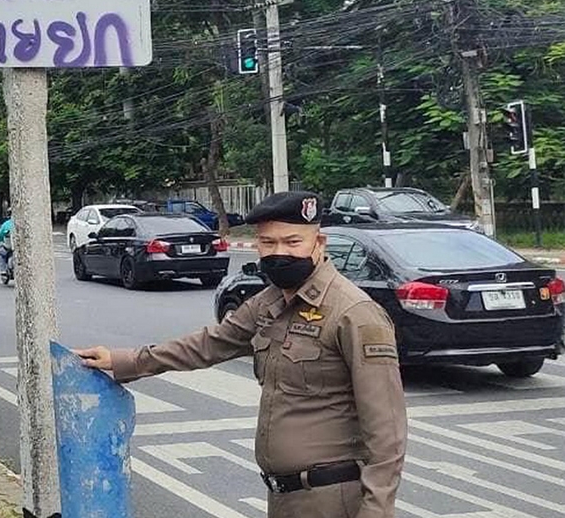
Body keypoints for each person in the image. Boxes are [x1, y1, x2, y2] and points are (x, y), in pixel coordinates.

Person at [74, 191, 406, 518]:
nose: (279, 254)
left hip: (332, 500)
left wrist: (376, 512)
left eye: (293, 243)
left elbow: (386, 432)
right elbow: (209, 344)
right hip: (283, 497)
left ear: (318, 244)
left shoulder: (354, 314)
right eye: (268, 243)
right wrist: (124, 360)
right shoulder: (271, 302)